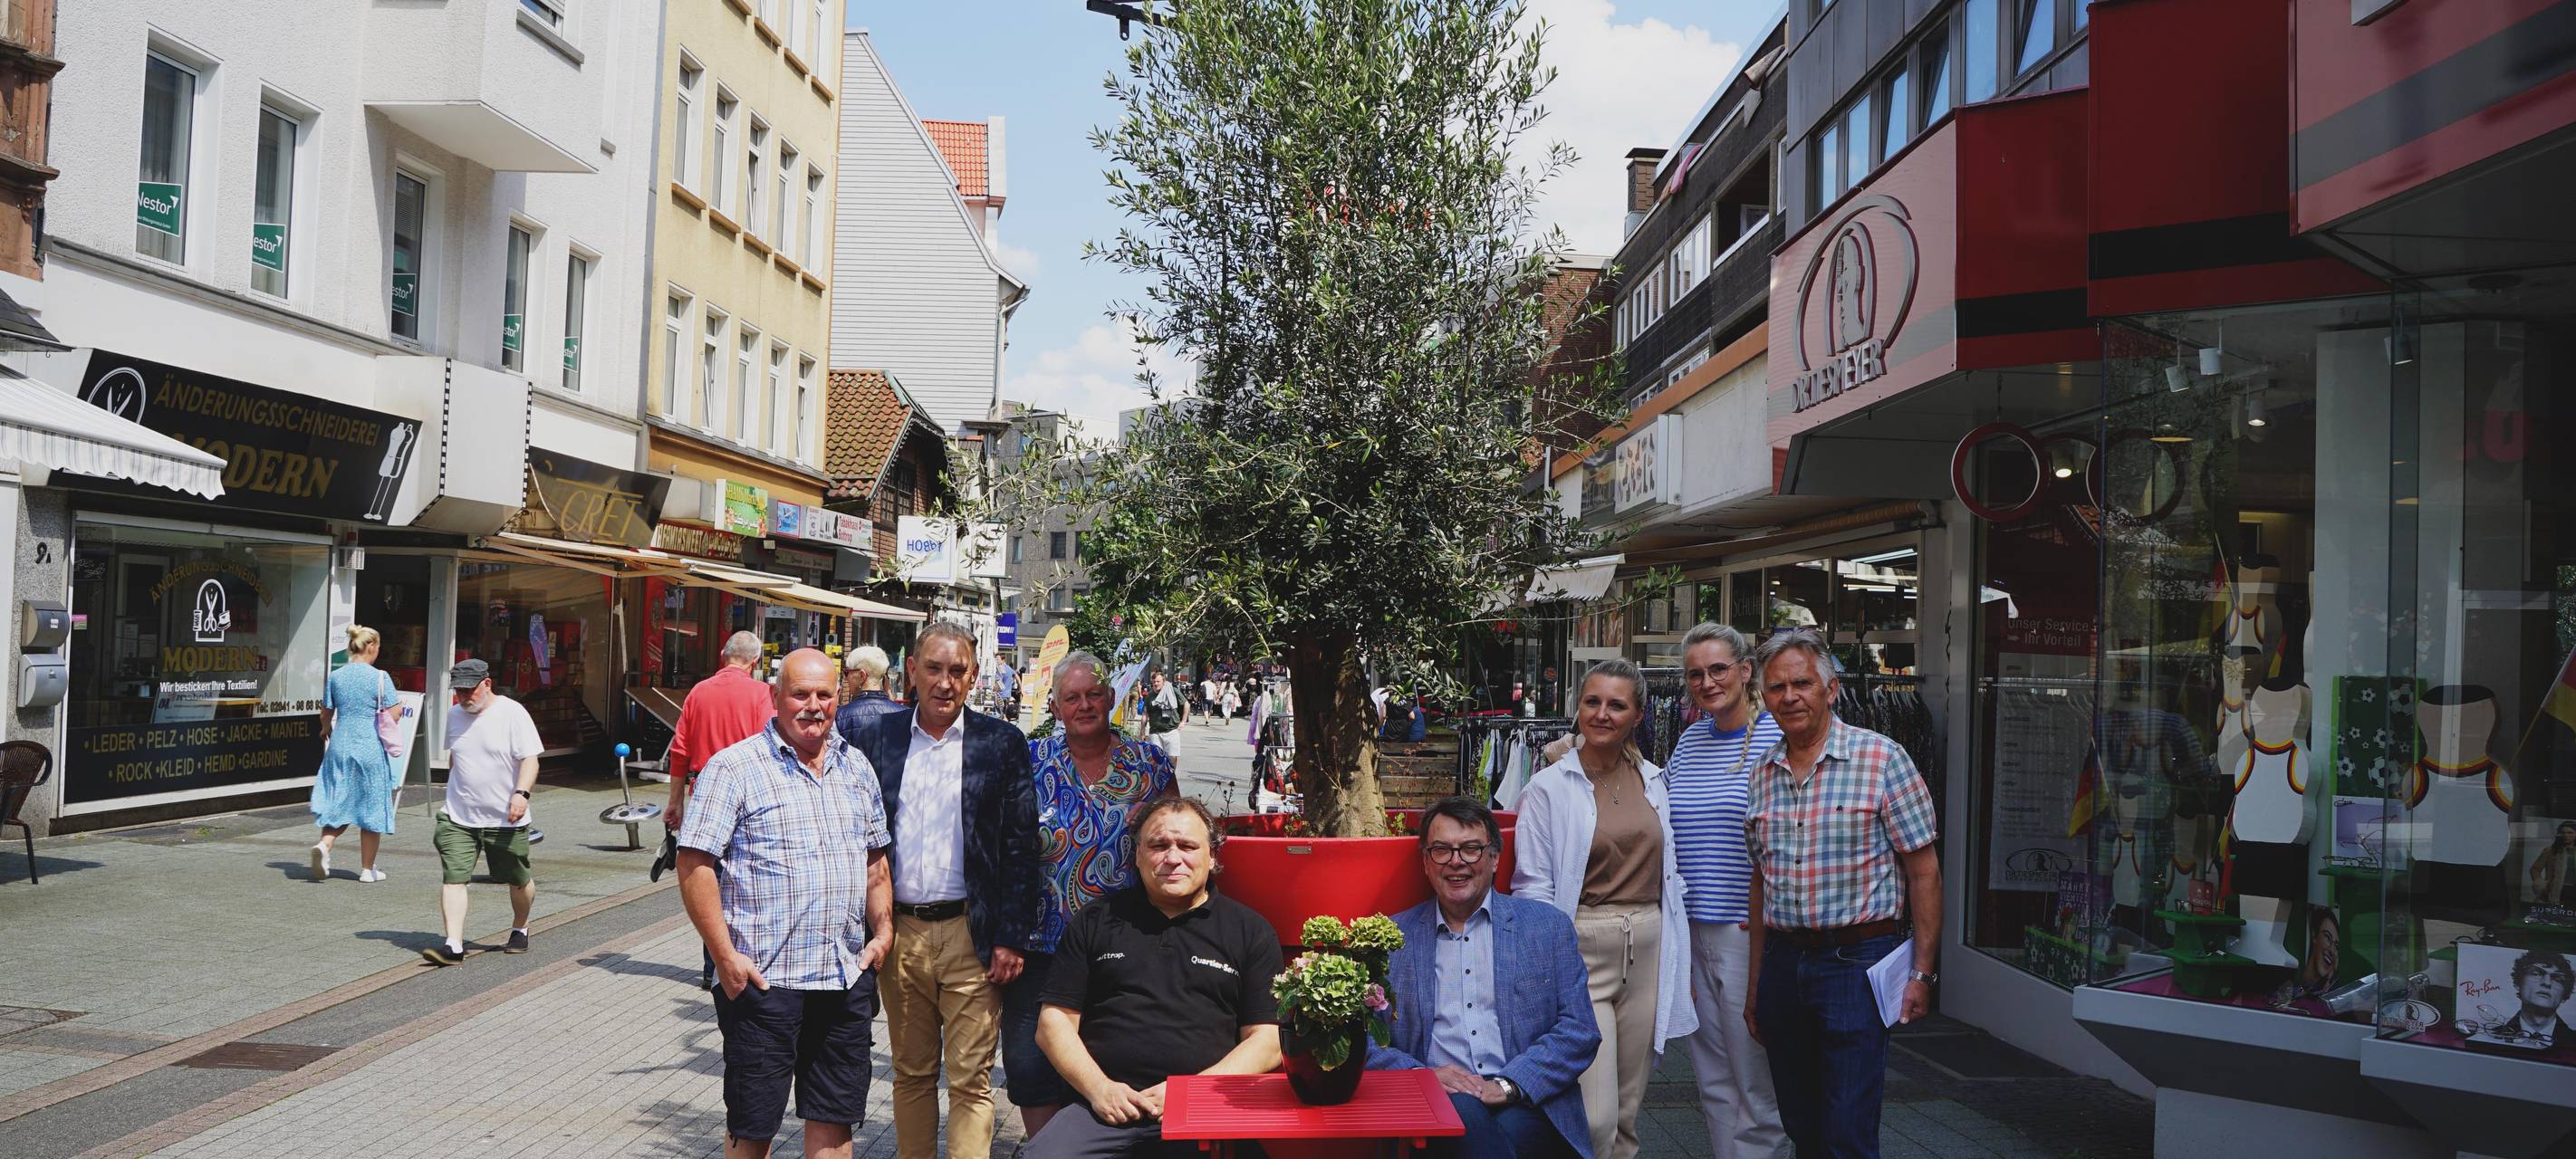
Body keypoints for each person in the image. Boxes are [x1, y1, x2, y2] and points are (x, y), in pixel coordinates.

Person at [678, 648, 894, 1159]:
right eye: (800, 693)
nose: (813, 705)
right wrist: (724, 957)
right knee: (753, 1130)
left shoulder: (855, 767)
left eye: (824, 694)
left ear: (839, 696)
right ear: (775, 697)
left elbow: (875, 862)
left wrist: (882, 933)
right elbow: (694, 866)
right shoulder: (734, 768)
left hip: (841, 979)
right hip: (763, 984)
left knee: (835, 1126)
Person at [839, 621, 1042, 1159]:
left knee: (971, 1080)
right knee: (911, 1074)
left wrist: (1010, 937)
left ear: (974, 677)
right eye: (934, 668)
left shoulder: (1000, 744)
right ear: (911, 671)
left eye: (957, 671)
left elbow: (1022, 846)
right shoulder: (876, 737)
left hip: (971, 935)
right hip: (897, 933)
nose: (945, 682)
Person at [1743, 629, 1941, 1159]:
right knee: (1800, 1121)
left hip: (1856, 962)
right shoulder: (1761, 774)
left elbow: (1924, 872)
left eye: (1802, 683)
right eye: (1777, 687)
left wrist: (1922, 972)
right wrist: (1756, 983)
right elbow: (1760, 883)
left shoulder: (1882, 759)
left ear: (1831, 689)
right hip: (1784, 963)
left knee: (1849, 1127)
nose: (1790, 697)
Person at [1026, 797, 1283, 1158]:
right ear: (1137, 855)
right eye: (1159, 845)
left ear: (1212, 857)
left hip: (1208, 1107)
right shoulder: (1097, 920)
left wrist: (1192, 1092)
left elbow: (1268, 1040)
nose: (1173, 858)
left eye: (1188, 846)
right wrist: (1099, 1089)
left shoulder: (1250, 931)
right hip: (1103, 1109)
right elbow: (1053, 1024)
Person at [1511, 659, 1695, 1159]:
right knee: (1595, 1117)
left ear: (1638, 715)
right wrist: (1545, 966)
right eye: (1592, 702)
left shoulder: (1655, 781)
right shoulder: (1549, 787)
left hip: (1650, 944)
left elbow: (1669, 871)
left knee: (1629, 1110)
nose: (1602, 714)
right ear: (1578, 708)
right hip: (1582, 948)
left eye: (1617, 705)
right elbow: (1532, 886)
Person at [1006, 651, 1179, 1138]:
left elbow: (1177, 842)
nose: (1084, 705)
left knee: (1115, 1058)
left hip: (1125, 945)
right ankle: (1045, 1148)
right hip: (1040, 946)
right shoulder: (1029, 760)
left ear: (1111, 699)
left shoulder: (1148, 764)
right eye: (1072, 698)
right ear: (1056, 708)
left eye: (1094, 695)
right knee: (1030, 1064)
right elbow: (1003, 849)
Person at [1369, 797, 1600, 1158]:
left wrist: (1509, 1084)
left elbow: (1579, 1029)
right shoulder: (1391, 939)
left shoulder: (1546, 927)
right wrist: (1422, 1076)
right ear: (1426, 863)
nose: (1456, 861)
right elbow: (1363, 1041)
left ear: (1494, 859)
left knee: (1488, 1131)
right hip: (1434, 1098)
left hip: (1524, 1097)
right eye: (1442, 850)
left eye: (1471, 849)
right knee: (1463, 1115)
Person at [1664, 624, 1785, 1158]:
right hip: (1691, 930)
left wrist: (1773, 915)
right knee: (1712, 1078)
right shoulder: (1690, 740)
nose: (1707, 682)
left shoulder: (1776, 736)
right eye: (1696, 673)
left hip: (1745, 930)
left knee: (1756, 1081)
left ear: (1744, 670)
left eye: (1717, 669)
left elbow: (1795, 829)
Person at [420, 658, 543, 966]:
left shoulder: (513, 713)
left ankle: (520, 927)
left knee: (517, 879)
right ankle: (453, 945)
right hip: (459, 816)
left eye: (468, 690)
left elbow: (531, 759)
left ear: (486, 684)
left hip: (505, 817)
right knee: (454, 877)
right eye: (458, 691)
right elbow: (457, 759)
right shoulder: (454, 715)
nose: (463, 697)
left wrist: (521, 794)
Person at [310, 624, 400, 883]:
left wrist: (325, 729)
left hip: (341, 745)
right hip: (369, 746)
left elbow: (326, 712)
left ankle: (325, 844)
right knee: (371, 806)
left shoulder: (337, 676)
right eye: (378, 648)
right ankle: (367, 870)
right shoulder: (380, 677)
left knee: (339, 800)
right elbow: (393, 714)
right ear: (370, 647)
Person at [666, 632, 780, 835]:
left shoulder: (697, 692)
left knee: (700, 859)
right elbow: (770, 746)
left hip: (704, 791)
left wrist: (675, 802)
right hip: (748, 794)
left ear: (722, 655)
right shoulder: (763, 694)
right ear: (755, 661)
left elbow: (679, 750)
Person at [2504, 949, 2574, 1048]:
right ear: (2518, 983)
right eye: (2536, 974)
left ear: (2564, 995)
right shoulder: (2487, 1038)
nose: (2547, 983)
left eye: (2557, 979)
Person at [836, 646, 904, 733]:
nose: (845, 678)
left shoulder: (841, 716)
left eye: (846, 672)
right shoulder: (905, 714)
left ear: (862, 675)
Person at [2533, 820, 2576, 908]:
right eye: (2563, 833)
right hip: (2556, 890)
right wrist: (2541, 885)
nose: (2566, 835)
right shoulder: (2551, 851)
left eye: (2570, 833)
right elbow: (2535, 869)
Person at [1144, 670, 1185, 753]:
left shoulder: (1173, 691)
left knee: (1172, 757)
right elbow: (1145, 714)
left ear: (1164, 682)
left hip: (1171, 730)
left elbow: (1186, 704)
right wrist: (1142, 731)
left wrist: (1183, 721)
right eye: (1154, 682)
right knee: (1157, 758)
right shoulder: (1149, 696)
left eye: (1158, 681)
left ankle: (1170, 767)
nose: (1156, 684)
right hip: (1155, 732)